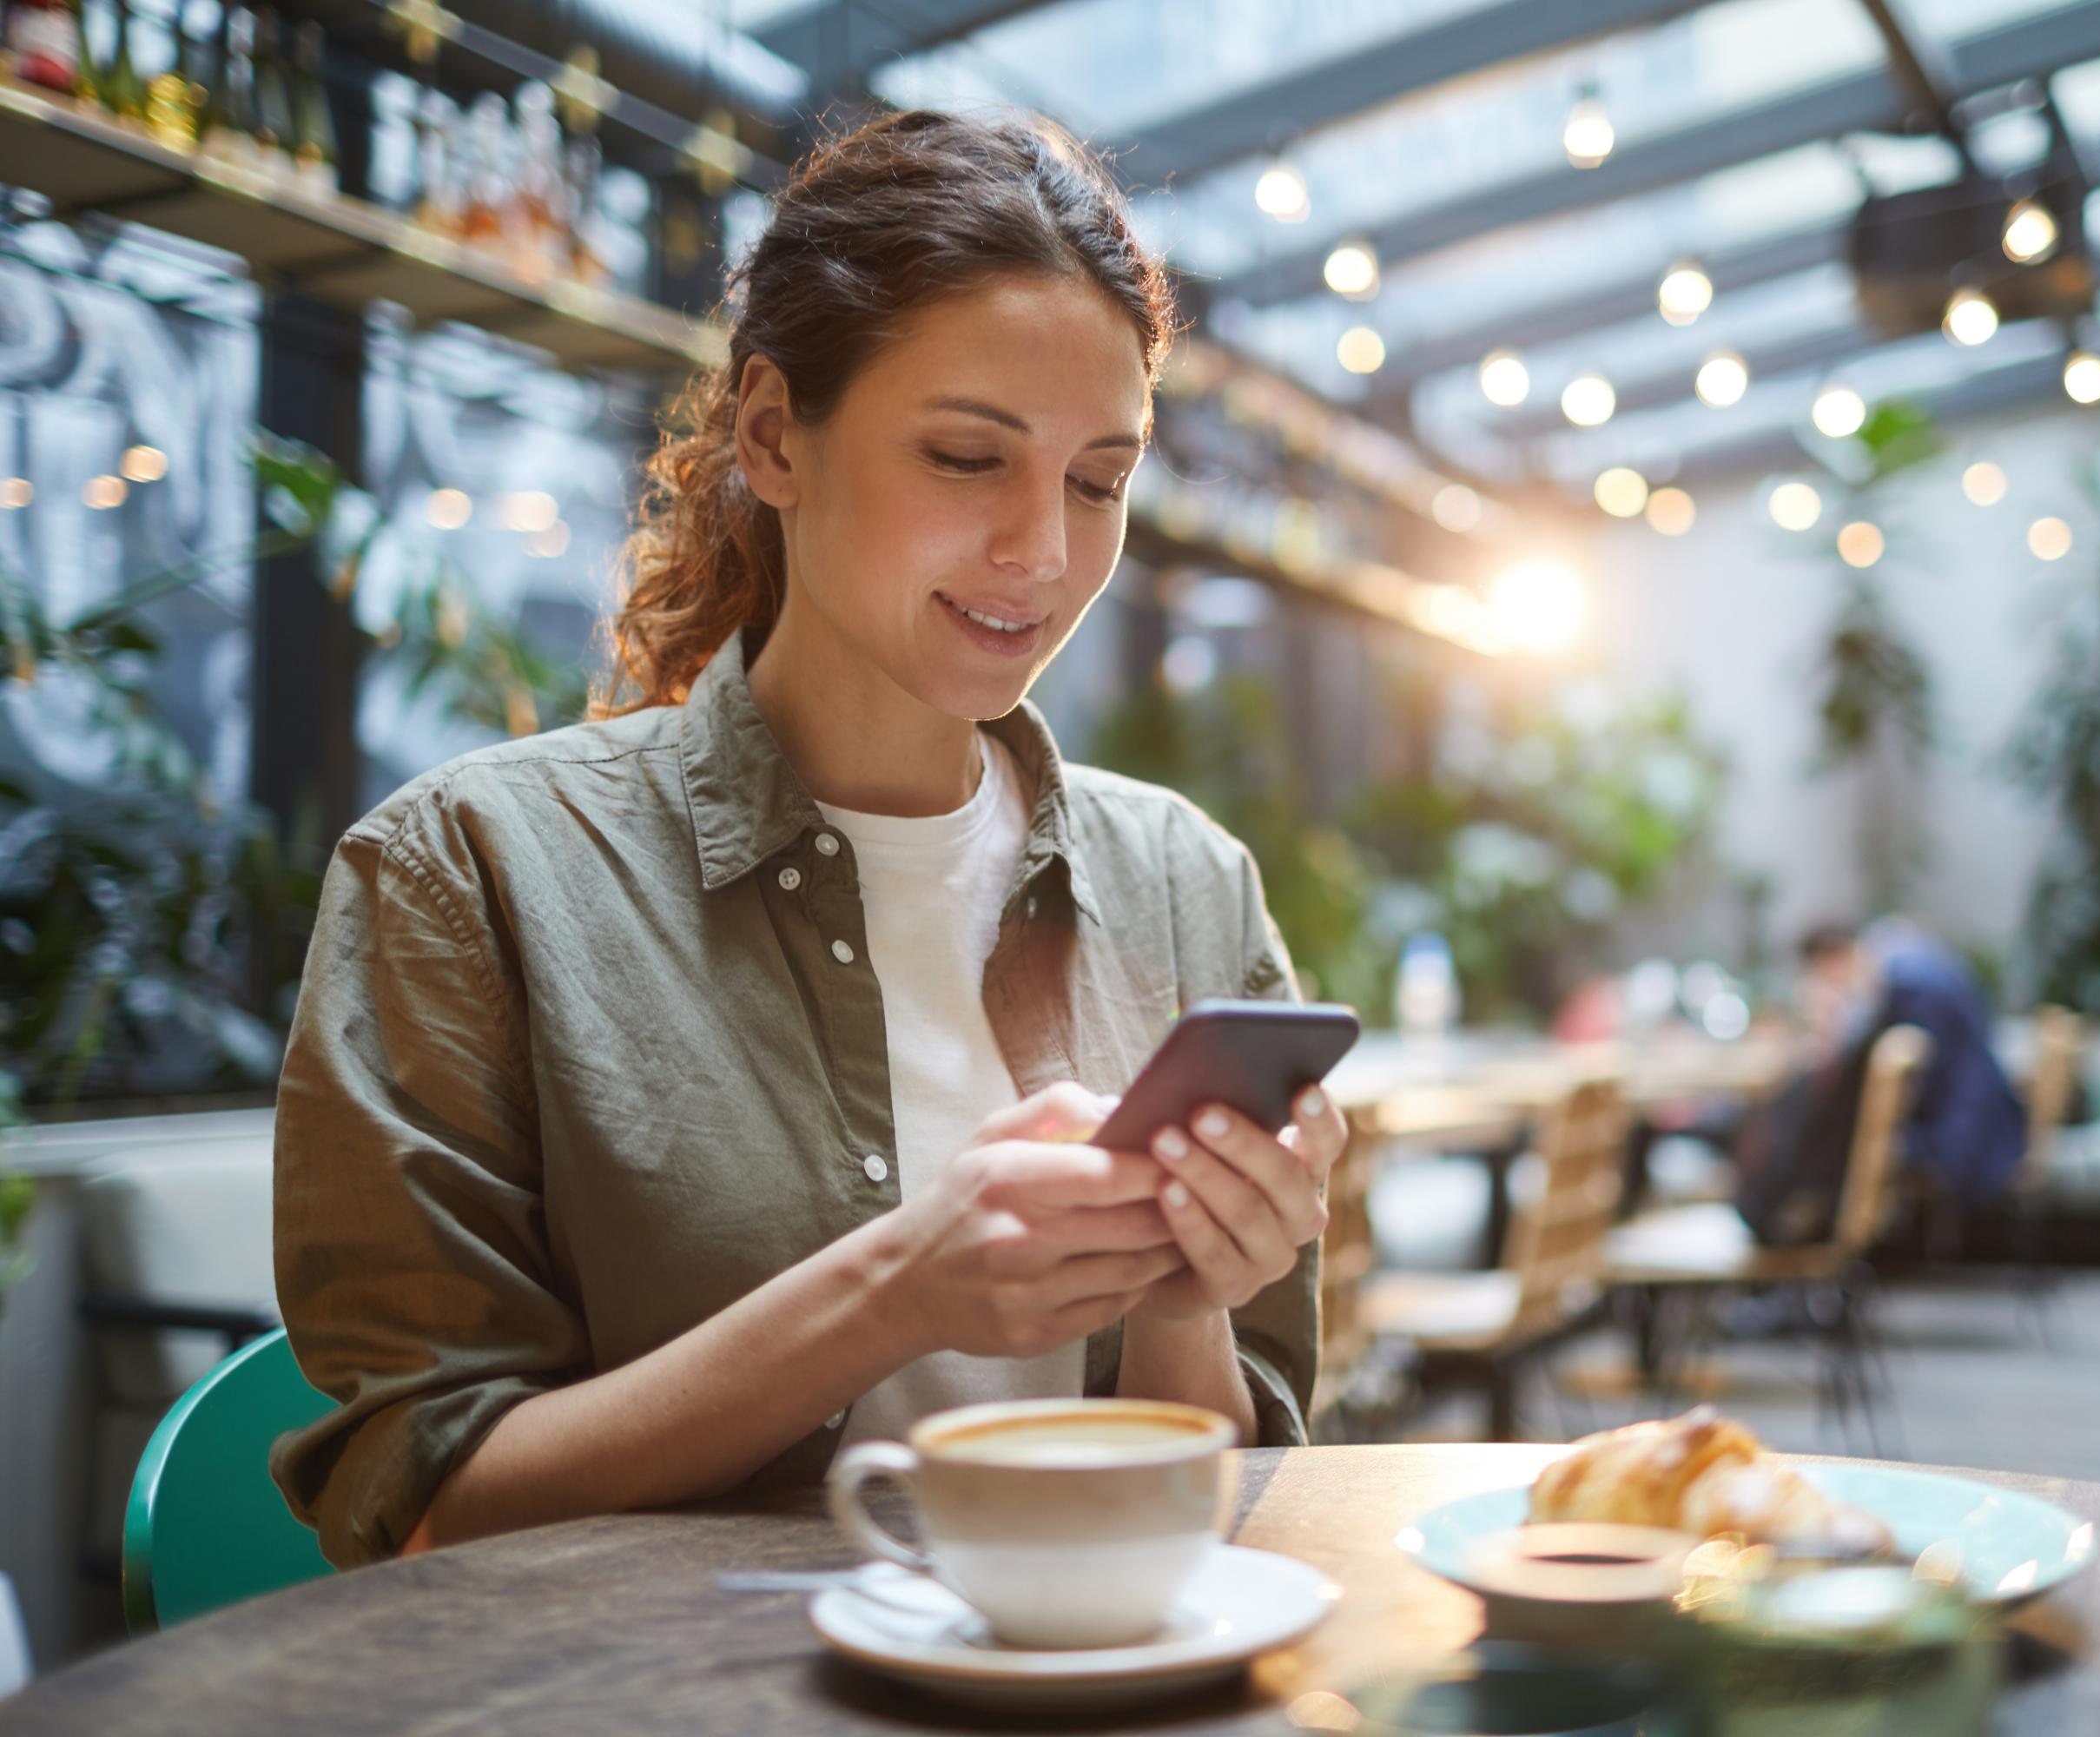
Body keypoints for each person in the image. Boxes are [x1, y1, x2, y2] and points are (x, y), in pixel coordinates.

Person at [268, 111, 1345, 1569]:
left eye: (1099, 480)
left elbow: (1224, 1491)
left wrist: (1185, 1285)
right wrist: (897, 1288)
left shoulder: (1183, 884)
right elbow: (425, 1514)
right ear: (775, 434)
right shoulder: (471, 875)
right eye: (970, 458)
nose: (1044, 550)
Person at [1742, 920, 2023, 1241]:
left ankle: (1789, 1232)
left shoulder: (1909, 987)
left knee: (1827, 1132)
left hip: (1963, 1135)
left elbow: (1914, 1088)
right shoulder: (1903, 962)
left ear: (1833, 958)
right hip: (1966, 1118)